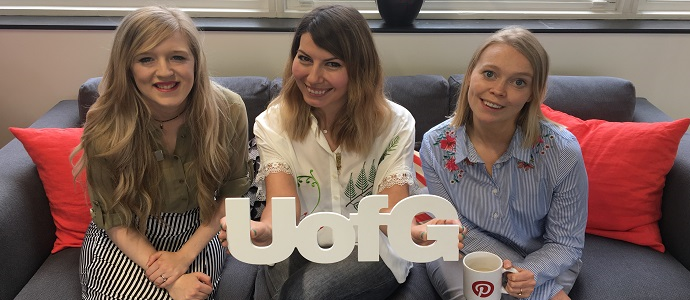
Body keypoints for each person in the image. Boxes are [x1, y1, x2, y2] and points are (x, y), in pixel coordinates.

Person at [218, 5, 464, 300]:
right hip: (299, 241)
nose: (312, 77)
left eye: (332, 64)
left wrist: (415, 233)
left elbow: (389, 211)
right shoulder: (273, 123)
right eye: (304, 59)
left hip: (372, 247)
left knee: (303, 295)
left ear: (359, 69)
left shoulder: (394, 124)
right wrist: (261, 232)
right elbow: (282, 207)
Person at [73, 6, 251, 300]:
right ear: (127, 67)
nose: (165, 71)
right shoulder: (105, 123)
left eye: (177, 57)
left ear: (195, 61)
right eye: (146, 59)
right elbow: (114, 218)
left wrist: (182, 257)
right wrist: (170, 280)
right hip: (127, 235)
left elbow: (233, 192)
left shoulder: (229, 109)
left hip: (199, 229)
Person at [419, 26, 588, 300]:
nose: (498, 90)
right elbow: (458, 230)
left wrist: (529, 275)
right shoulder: (435, 145)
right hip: (462, 252)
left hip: (543, 262)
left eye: (518, 82)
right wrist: (539, 288)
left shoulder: (562, 150)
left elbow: (565, 243)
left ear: (534, 92)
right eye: (489, 74)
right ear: (471, 75)